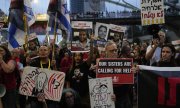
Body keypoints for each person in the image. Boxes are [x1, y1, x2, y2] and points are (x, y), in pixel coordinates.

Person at [104, 40, 132, 108]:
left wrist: (132, 72)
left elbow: (128, 86)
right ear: (106, 52)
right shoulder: (101, 65)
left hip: (123, 100)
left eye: (115, 50)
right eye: (111, 51)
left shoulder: (124, 63)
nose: (114, 52)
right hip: (108, 100)